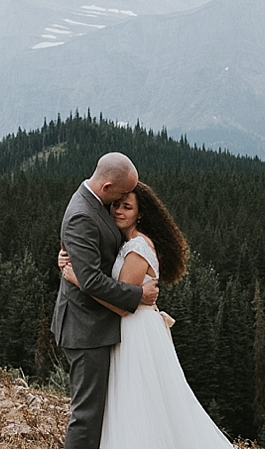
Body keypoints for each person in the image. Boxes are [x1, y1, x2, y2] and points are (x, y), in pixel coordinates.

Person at [60, 181, 233, 448]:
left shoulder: (137, 248)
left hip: (135, 330)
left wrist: (78, 280)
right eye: (116, 204)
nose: (118, 211)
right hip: (132, 327)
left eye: (127, 207)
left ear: (140, 214)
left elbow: (120, 304)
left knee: (136, 402)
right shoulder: (126, 242)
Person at [50, 152, 160, 449]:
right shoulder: (83, 215)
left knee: (98, 412)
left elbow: (90, 262)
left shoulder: (93, 204)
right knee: (87, 416)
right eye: (121, 195)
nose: (120, 203)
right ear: (108, 186)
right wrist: (139, 295)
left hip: (97, 324)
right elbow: (92, 281)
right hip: (85, 329)